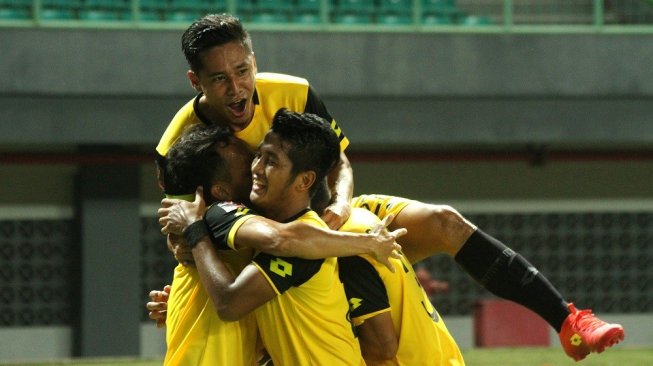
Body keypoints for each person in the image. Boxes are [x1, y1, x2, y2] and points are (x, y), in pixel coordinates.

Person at [154, 13, 624, 361]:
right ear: (197, 81)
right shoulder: (177, 141)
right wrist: (188, 281)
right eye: (220, 79)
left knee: (443, 222)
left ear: (253, 60)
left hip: (330, 220)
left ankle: (568, 320)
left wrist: (337, 208)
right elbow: (184, 229)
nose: (238, 88)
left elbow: (337, 159)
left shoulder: (293, 92)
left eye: (243, 70)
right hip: (264, 249)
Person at [153, 121, 405, 365]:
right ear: (222, 192)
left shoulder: (300, 239)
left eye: (269, 161)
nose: (256, 168)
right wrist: (368, 243)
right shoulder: (220, 215)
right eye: (253, 158)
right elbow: (278, 242)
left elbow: (238, 298)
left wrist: (192, 235)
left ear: (304, 180)